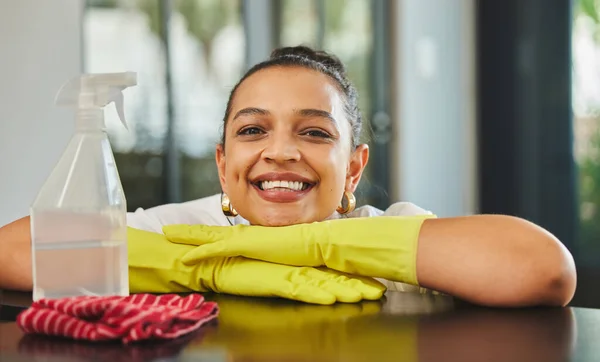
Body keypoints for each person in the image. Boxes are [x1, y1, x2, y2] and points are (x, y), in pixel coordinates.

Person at [0, 46, 576, 307]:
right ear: (223, 166)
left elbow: (543, 269)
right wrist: (213, 263)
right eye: (253, 131)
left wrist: (313, 244)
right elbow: (12, 251)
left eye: (315, 133)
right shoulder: (186, 230)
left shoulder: (386, 228)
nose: (280, 152)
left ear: (354, 167)